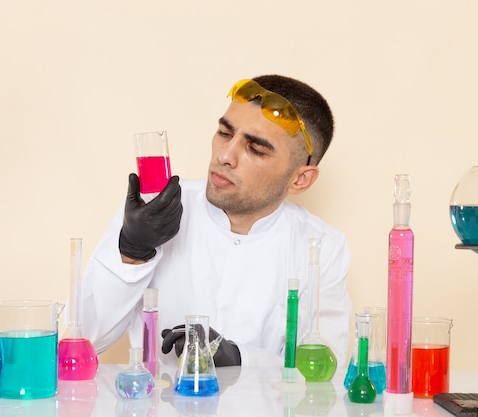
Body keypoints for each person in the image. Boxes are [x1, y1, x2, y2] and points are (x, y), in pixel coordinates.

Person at [79, 74, 352, 368]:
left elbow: (324, 376)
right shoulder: (155, 210)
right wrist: (132, 251)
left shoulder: (322, 248)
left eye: (255, 149)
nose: (225, 155)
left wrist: (238, 358)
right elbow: (84, 342)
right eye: (224, 133)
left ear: (300, 179)